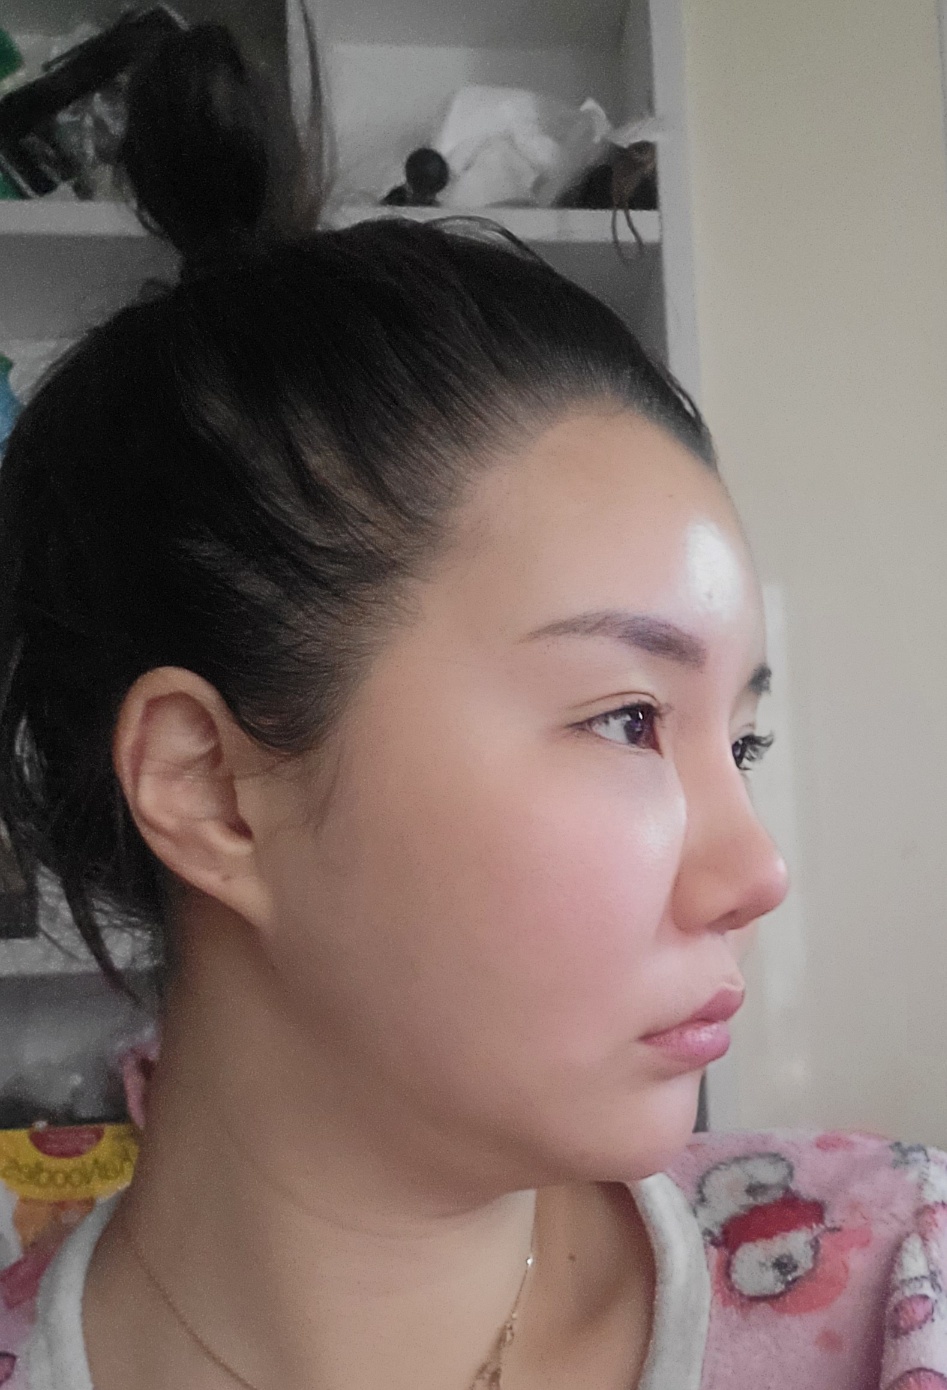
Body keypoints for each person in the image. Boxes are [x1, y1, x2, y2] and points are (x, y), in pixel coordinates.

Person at [0, 22, 944, 1390]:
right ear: (208, 788)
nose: (756, 874)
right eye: (628, 718)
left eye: (740, 739)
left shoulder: (893, 1293)